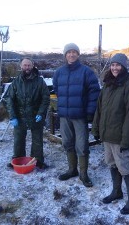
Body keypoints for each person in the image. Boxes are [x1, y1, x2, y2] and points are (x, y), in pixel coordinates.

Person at [91, 53, 129, 215]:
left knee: (124, 167)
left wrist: (126, 140)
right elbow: (99, 109)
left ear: (124, 67)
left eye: (118, 65)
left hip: (119, 136)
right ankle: (116, 192)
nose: (115, 68)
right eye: (112, 65)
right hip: (107, 135)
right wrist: (96, 128)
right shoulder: (108, 84)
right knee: (111, 163)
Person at [53, 43, 100, 187]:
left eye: (74, 52)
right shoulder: (59, 72)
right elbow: (56, 89)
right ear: (65, 55)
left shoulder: (86, 72)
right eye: (69, 52)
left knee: (82, 145)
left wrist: (89, 112)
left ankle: (83, 174)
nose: (71, 54)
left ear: (78, 55)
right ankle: (72, 169)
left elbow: (94, 93)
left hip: (80, 116)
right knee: (67, 142)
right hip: (64, 116)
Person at [7, 57, 50, 169]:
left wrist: (41, 113)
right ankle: (17, 159)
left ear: (32, 66)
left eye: (29, 65)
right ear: (21, 66)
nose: (27, 67)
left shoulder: (40, 81)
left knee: (37, 140)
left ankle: (38, 160)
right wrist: (13, 116)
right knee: (18, 140)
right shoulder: (15, 82)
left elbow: (45, 98)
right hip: (20, 116)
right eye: (25, 65)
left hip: (36, 116)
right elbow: (10, 100)